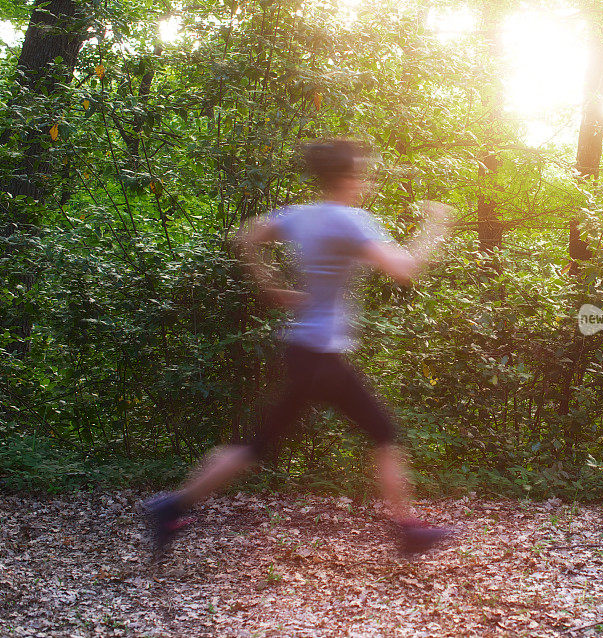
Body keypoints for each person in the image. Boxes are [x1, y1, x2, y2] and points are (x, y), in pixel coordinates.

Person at [142, 138, 454, 556]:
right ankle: (409, 529)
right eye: (363, 171)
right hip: (323, 356)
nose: (369, 179)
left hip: (303, 351)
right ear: (346, 177)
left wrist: (269, 285)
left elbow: (247, 235)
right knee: (384, 432)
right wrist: (436, 226)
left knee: (257, 444)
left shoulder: (298, 215)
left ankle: (171, 506)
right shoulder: (352, 221)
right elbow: (405, 269)